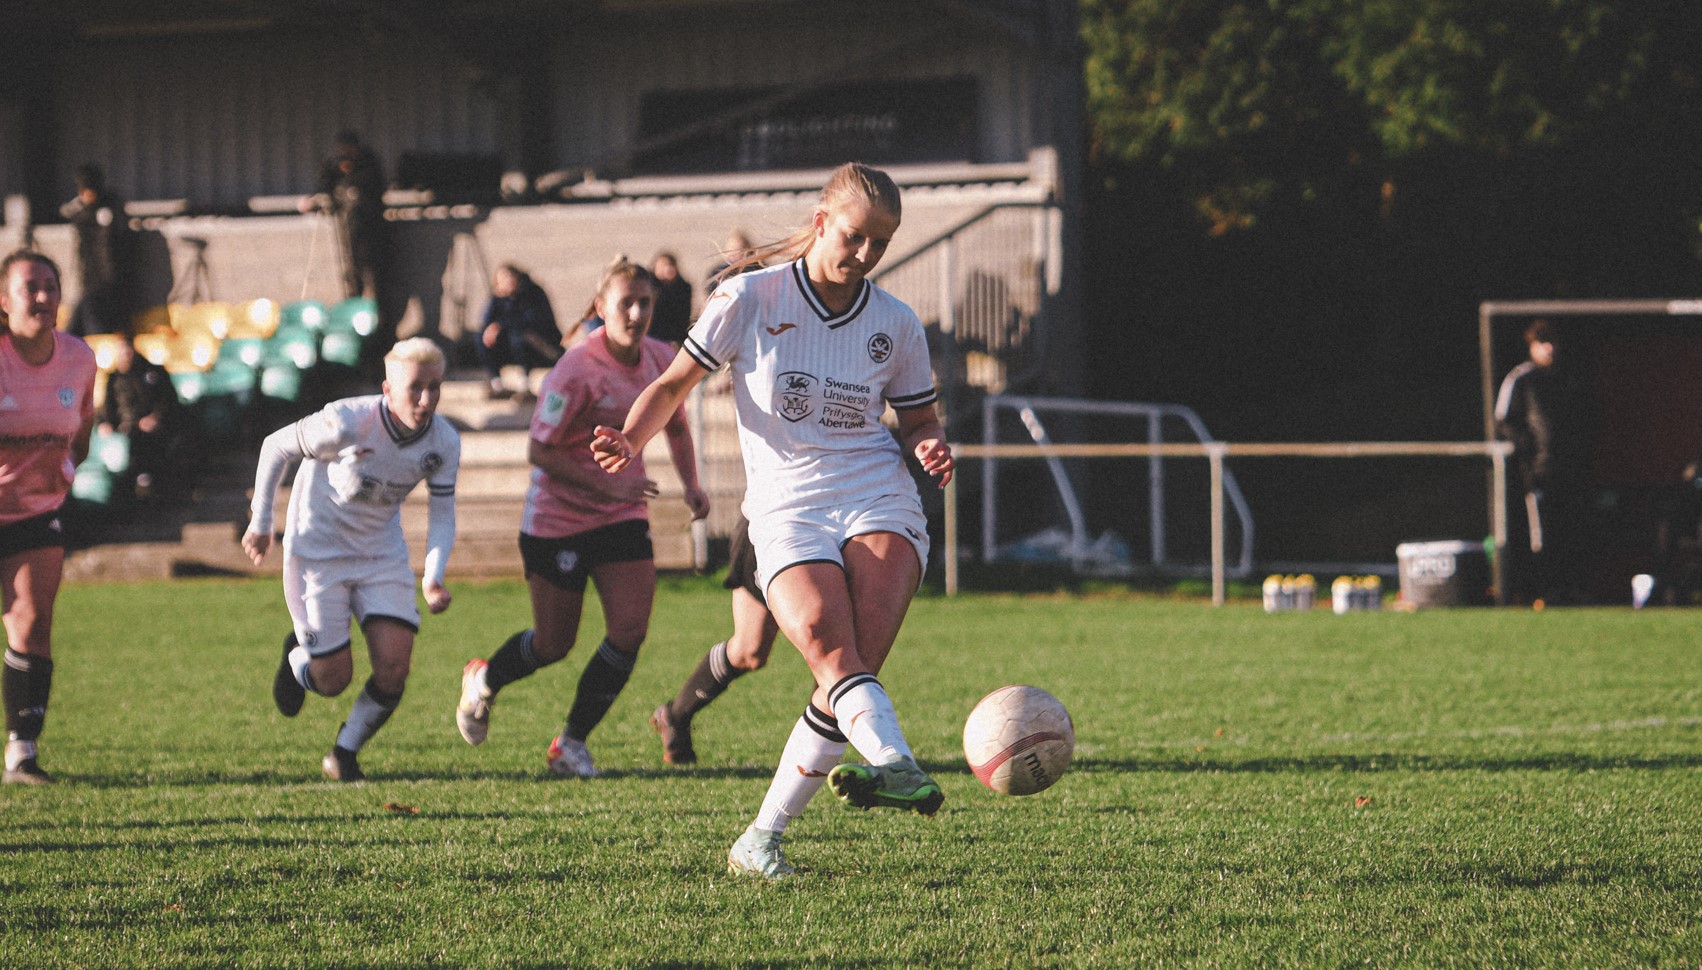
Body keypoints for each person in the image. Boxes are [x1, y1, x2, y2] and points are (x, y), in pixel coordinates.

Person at [592, 162, 955, 880]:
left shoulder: (895, 322)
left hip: (877, 493)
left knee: (850, 672)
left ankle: (761, 840)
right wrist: (631, 440)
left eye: (880, 245)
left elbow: (917, 419)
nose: (865, 256)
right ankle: (895, 763)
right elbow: (672, 384)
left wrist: (929, 446)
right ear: (822, 223)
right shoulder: (750, 296)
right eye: (855, 237)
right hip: (785, 504)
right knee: (827, 644)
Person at [455, 258, 709, 778]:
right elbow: (539, 451)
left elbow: (678, 426)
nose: (637, 313)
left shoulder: (662, 357)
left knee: (630, 630)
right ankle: (485, 676)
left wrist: (693, 486)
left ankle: (570, 743)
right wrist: (610, 481)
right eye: (626, 303)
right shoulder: (575, 368)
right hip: (558, 521)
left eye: (646, 303)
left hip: (622, 517)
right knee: (553, 645)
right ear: (600, 307)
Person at [242, 337, 460, 782]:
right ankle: (297, 659)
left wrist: (433, 577)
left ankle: (344, 753)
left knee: (395, 668)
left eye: (434, 387)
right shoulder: (345, 421)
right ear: (387, 389)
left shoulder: (444, 441)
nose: (426, 399)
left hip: (381, 555)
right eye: (415, 387)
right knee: (332, 680)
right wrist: (261, 521)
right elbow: (274, 446)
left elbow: (443, 515)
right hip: (318, 555)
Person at [0, 250, 97, 784]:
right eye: (29, 287)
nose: (42, 297)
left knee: (33, 623)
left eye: (50, 286)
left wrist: (62, 469)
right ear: (3, 300)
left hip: (37, 511)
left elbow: (82, 426)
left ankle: (22, 752)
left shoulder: (80, 357)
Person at [648, 513, 779, 765]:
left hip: (859, 511)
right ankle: (676, 715)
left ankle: (820, 757)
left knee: (835, 647)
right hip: (775, 515)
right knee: (749, 651)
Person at [1495, 319, 1595, 605]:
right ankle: (1543, 592)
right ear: (1531, 346)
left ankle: (1573, 590)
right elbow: (1503, 422)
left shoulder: (1570, 377)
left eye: (1552, 342)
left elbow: (1586, 420)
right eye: (1542, 342)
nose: (1549, 348)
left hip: (1573, 473)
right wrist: (1527, 448)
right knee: (1542, 536)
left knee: (1573, 532)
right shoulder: (1521, 379)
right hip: (1539, 474)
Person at [300, 130, 388, 302]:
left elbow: (373, 188)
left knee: (374, 272)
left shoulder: (368, 164)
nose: (346, 153)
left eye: (349, 148)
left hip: (372, 228)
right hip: (349, 230)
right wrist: (314, 200)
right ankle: (353, 304)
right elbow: (325, 185)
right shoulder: (336, 164)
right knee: (351, 271)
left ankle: (378, 317)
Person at [96, 336, 179, 499]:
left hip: (150, 426)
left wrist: (155, 418)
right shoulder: (113, 379)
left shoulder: (152, 372)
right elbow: (108, 407)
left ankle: (151, 487)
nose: (126, 355)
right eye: (121, 351)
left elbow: (166, 400)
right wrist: (104, 423)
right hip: (125, 428)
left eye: (128, 350)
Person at [60, 164, 135, 337]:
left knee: (97, 328)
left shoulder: (111, 209)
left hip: (111, 284)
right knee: (79, 325)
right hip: (91, 283)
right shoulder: (82, 212)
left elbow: (112, 250)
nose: (86, 197)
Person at [477, 264, 560, 399]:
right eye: (501, 280)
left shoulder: (533, 293)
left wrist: (500, 325)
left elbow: (532, 321)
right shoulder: (499, 298)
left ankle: (525, 385)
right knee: (482, 337)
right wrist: (496, 299)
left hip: (543, 347)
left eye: (509, 277)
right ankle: (498, 384)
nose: (507, 282)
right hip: (510, 348)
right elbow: (485, 321)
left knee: (518, 337)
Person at [648, 251, 694, 346]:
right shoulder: (648, 286)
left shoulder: (683, 287)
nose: (667, 269)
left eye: (670, 265)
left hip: (675, 337)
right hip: (652, 335)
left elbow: (683, 317)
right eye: (663, 266)